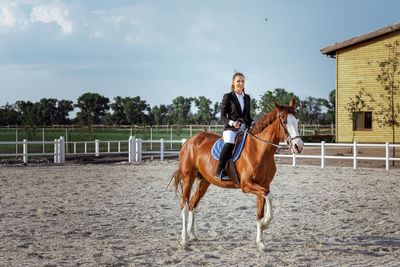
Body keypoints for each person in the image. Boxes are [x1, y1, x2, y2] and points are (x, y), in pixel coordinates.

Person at [215, 72, 254, 181]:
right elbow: (222, 116)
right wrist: (232, 123)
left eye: (242, 81)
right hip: (231, 129)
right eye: (238, 81)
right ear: (233, 83)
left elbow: (248, 116)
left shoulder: (247, 97)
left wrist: (253, 123)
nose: (241, 83)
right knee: (230, 143)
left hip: (244, 128)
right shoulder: (228, 97)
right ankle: (220, 170)